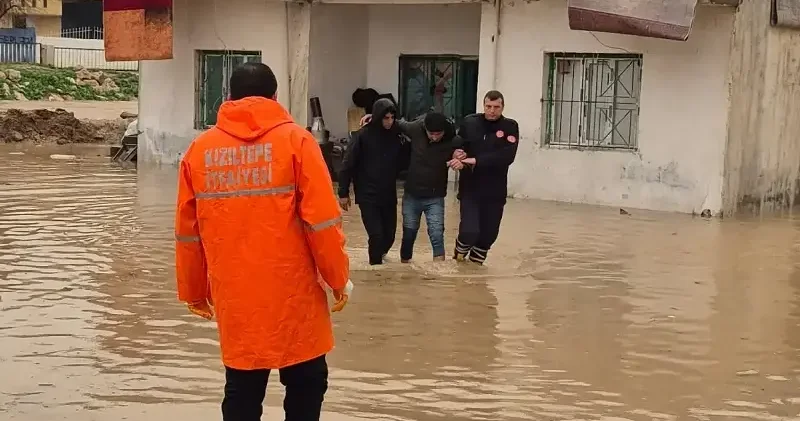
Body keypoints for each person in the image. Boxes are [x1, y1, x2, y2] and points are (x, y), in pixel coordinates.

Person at [174, 62, 351, 421]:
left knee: (242, 388)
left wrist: (193, 292)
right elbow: (323, 224)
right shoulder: (297, 142)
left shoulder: (200, 151)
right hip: (294, 294)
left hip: (237, 296)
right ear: (274, 97)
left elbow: (187, 234)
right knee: (306, 383)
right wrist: (337, 279)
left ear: (228, 98)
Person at [359, 111, 462, 262]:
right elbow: (395, 122)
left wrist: (460, 157)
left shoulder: (453, 140)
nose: (434, 137)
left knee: (436, 233)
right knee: (409, 234)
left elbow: (464, 151)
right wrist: (375, 116)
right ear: (424, 129)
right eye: (431, 133)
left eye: (438, 134)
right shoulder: (415, 129)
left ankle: (440, 271)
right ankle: (406, 267)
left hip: (435, 197)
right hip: (412, 195)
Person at [451, 90, 519, 265]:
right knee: (469, 232)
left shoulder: (510, 127)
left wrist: (475, 160)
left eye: (496, 107)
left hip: (495, 191)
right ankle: (457, 261)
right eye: (488, 106)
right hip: (471, 189)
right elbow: (459, 142)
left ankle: (473, 278)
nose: (492, 111)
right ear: (483, 105)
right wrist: (457, 153)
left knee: (488, 236)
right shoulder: (470, 122)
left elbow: (507, 156)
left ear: (503, 107)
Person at [338, 98, 406, 266]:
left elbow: (416, 124)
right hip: (367, 195)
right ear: (378, 117)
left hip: (388, 194)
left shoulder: (396, 133)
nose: (389, 121)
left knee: (389, 236)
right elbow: (347, 164)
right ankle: (375, 272)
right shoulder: (362, 136)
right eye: (385, 118)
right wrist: (343, 193)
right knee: (376, 235)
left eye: (392, 117)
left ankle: (380, 268)